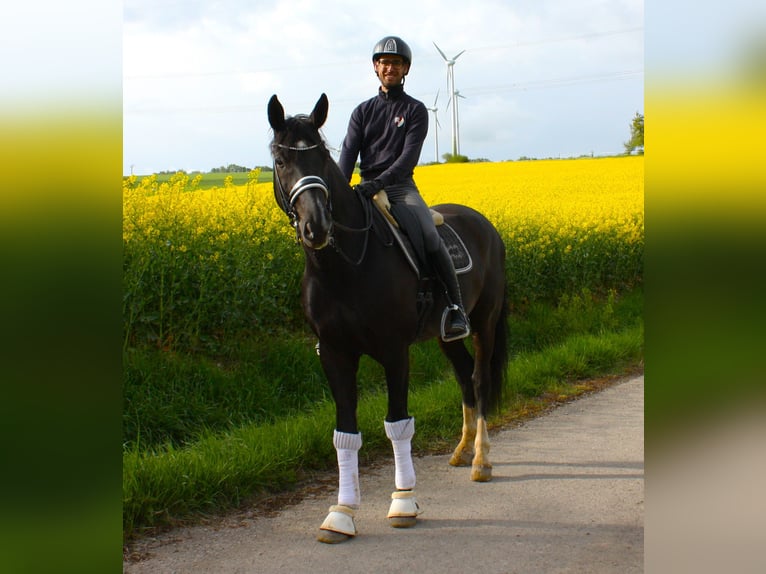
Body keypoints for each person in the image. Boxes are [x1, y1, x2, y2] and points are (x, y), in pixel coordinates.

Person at [337, 35, 469, 341]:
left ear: (405, 69)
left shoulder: (416, 110)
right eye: (384, 63)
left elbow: (408, 158)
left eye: (396, 63)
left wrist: (379, 183)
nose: (389, 68)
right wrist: (340, 191)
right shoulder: (362, 111)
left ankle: (455, 308)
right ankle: (335, 319)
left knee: (429, 234)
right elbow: (347, 155)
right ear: (375, 67)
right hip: (365, 188)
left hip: (399, 188)